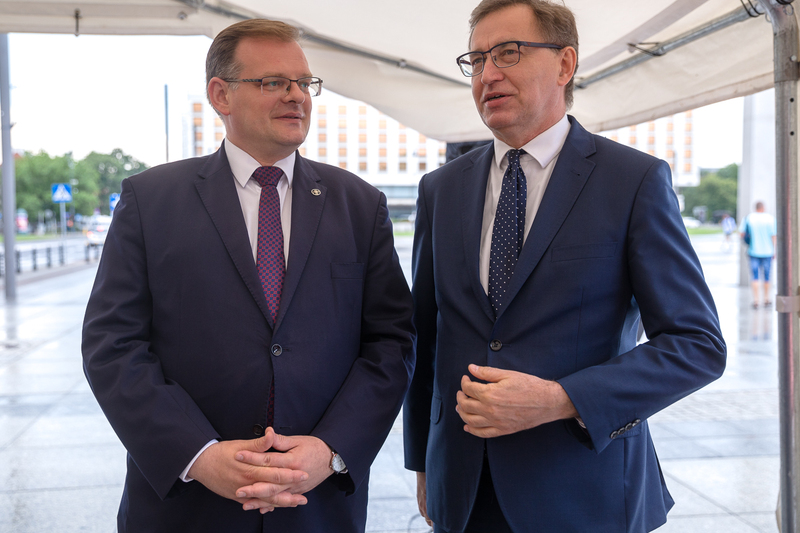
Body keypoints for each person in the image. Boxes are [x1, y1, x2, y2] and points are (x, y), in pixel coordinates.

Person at [402, 1, 726, 532]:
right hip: (461, 488)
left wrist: (561, 399)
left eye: (508, 53)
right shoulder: (440, 188)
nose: (488, 74)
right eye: (477, 59)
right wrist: (422, 462)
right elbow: (426, 335)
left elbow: (697, 345)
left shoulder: (633, 181)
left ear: (565, 64)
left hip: (585, 489)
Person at [82, 19, 415, 533]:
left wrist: (331, 449)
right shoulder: (150, 200)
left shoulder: (359, 205)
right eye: (273, 82)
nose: (296, 96)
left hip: (317, 507)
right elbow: (113, 345)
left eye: (304, 83)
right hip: (186, 508)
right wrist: (196, 454)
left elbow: (391, 343)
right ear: (221, 94)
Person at [740, 201, 777, 308]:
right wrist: (774, 250)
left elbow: (742, 234)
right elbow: (773, 236)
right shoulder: (770, 219)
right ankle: (766, 298)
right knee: (767, 276)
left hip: (753, 251)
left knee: (755, 276)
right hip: (767, 252)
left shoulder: (748, 218)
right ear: (763, 208)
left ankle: (756, 300)